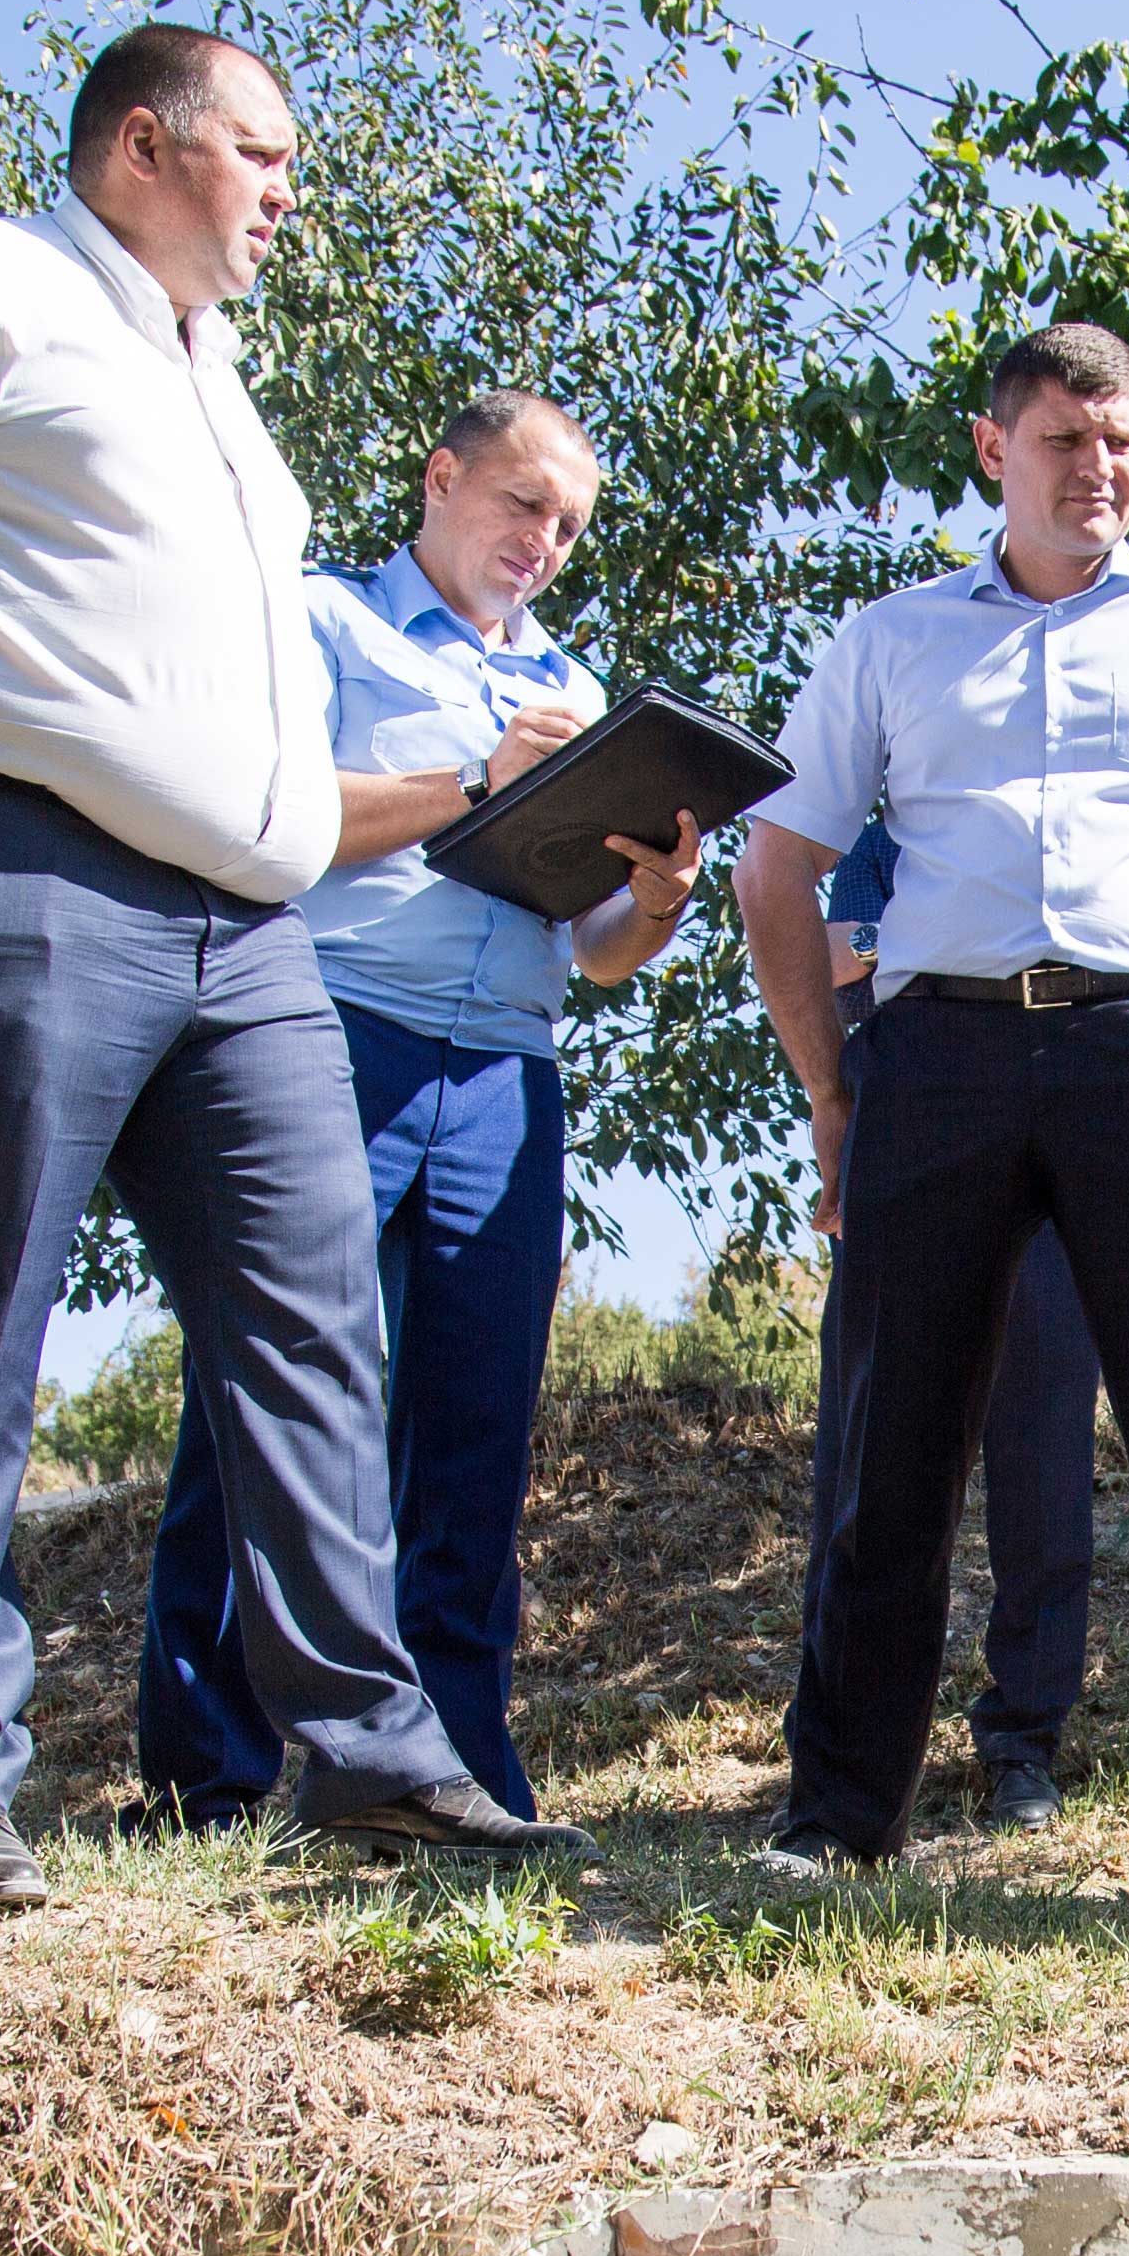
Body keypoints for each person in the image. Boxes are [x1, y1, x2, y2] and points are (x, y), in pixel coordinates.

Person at [0, 17, 595, 1912]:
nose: (288, 193)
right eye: (260, 152)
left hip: (244, 919)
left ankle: (363, 1743)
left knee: (315, 1315)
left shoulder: (226, 398)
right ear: (138, 145)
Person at [727, 321, 1129, 1882]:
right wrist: (832, 1091)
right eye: (1067, 442)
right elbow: (777, 869)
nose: (1101, 469)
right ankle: (840, 1820)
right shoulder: (891, 639)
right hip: (940, 1060)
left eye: (1123, 439)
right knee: (890, 1448)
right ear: (996, 451)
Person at [132, 392, 701, 1825]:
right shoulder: (323, 625)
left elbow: (595, 956)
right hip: (330, 1038)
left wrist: (656, 897)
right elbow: (268, 814)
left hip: (506, 1071)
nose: (543, 542)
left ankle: (451, 1765)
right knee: (263, 1399)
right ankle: (210, 1768)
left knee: (474, 1430)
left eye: (567, 524)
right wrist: (470, 780)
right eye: (521, 504)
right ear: (442, 477)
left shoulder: (574, 683)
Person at [814, 813, 1107, 1832]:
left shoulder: (1066, 827)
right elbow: (843, 970)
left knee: (1045, 1478)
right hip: (906, 1170)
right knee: (865, 1478)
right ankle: (844, 1755)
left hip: (1056, 1183)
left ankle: (1024, 1744)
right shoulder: (882, 840)